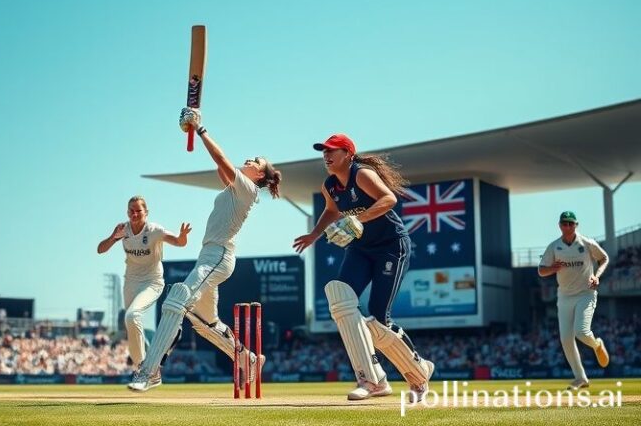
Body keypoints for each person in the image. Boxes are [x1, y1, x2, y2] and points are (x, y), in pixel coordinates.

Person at [127, 108, 282, 392]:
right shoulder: (235, 188)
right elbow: (220, 166)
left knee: (177, 299)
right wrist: (190, 124)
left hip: (219, 255)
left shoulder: (248, 189)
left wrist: (200, 128)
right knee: (203, 321)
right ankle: (248, 360)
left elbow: (221, 160)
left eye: (255, 161)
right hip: (209, 256)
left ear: (259, 174)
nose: (249, 159)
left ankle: (148, 371)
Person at [293, 134, 433, 401]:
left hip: (391, 245)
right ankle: (372, 380)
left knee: (379, 318)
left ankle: (418, 372)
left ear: (348, 154)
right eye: (323, 151)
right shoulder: (330, 185)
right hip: (361, 248)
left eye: (331, 150)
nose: (326, 155)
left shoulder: (362, 174)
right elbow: (332, 211)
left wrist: (359, 219)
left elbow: (389, 199)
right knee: (340, 298)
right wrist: (314, 234)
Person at [97, 196, 191, 372]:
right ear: (127, 212)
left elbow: (179, 242)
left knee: (132, 316)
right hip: (131, 282)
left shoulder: (154, 230)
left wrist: (182, 236)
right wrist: (112, 237)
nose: (134, 214)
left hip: (152, 281)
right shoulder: (123, 230)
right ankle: (139, 366)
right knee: (130, 322)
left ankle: (144, 367)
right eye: (131, 211)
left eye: (138, 211)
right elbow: (100, 249)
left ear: (146, 213)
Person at [538, 210, 610, 390]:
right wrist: (552, 268)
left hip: (586, 293)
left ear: (576, 225)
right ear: (560, 225)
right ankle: (581, 378)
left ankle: (597, 344)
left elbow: (604, 258)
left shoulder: (586, 243)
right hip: (564, 297)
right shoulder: (554, 246)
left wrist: (597, 276)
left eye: (571, 223)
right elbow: (541, 270)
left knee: (581, 332)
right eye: (564, 223)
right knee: (566, 339)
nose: (568, 226)